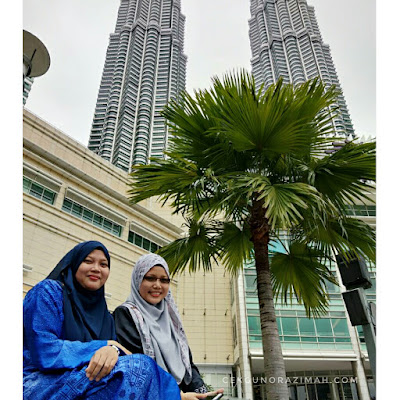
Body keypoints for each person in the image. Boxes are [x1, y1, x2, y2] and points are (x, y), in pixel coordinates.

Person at [23, 240, 181, 400]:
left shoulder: (105, 317)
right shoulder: (49, 292)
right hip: (39, 380)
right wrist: (103, 346)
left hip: (88, 378)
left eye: (104, 265)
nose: (96, 269)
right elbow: (44, 349)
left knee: (141, 372)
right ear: (75, 262)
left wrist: (111, 350)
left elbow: (116, 356)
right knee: (139, 367)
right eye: (88, 261)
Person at [113, 254, 224, 400]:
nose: (157, 285)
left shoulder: (171, 318)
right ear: (137, 280)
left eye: (164, 280)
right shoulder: (126, 314)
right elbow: (138, 366)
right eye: (150, 278)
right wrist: (178, 395)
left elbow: (187, 364)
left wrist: (203, 394)